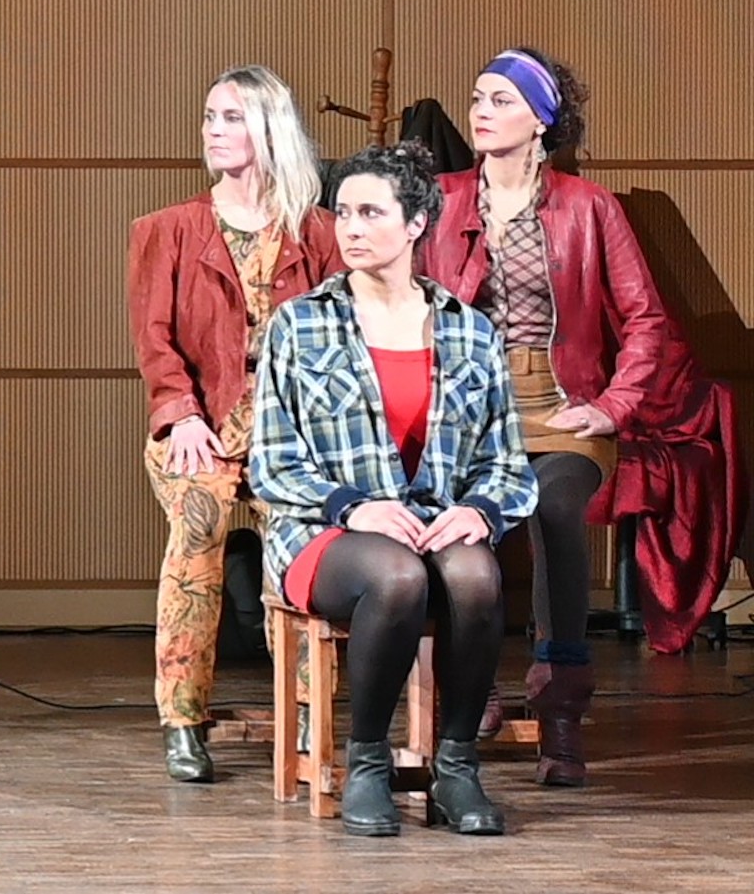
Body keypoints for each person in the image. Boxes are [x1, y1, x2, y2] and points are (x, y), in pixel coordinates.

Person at [251, 142, 538, 837]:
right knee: (397, 576)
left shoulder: (470, 332)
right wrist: (352, 507)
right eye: (343, 212)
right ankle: (369, 760)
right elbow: (272, 463)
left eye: (370, 213)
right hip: (323, 529)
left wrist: (480, 511)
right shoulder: (301, 324)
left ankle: (457, 764)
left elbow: (507, 464)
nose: (350, 227)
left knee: (475, 573)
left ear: (415, 224)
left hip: (430, 521)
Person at [421, 47, 679, 785]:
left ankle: (561, 707)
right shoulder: (441, 200)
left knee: (554, 508)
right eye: (477, 97)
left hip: (561, 406)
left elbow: (646, 319)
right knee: (456, 522)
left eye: (500, 100)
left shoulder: (589, 207)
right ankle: (473, 687)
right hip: (467, 410)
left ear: (540, 120)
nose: (480, 111)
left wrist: (613, 405)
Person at [127, 65, 341, 782]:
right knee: (199, 528)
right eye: (209, 117)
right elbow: (154, 341)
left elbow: (338, 339)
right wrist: (179, 414)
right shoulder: (168, 230)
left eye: (231, 117)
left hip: (290, 438)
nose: (213, 131)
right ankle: (184, 719)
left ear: (269, 129)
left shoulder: (318, 232)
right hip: (202, 429)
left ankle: (310, 710)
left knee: (304, 540)